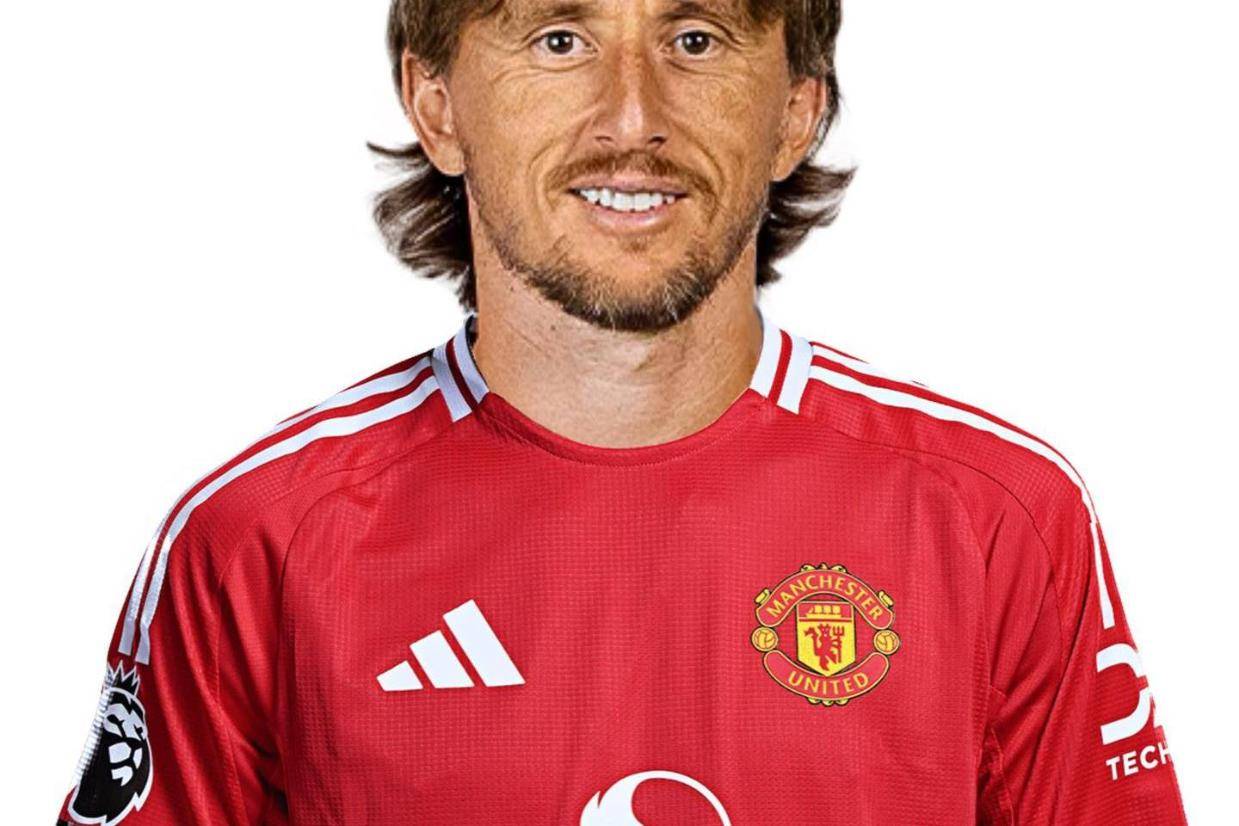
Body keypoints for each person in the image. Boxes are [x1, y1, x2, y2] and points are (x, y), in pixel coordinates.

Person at [55, 1, 1188, 823]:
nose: (632, 116)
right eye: (560, 39)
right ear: (436, 106)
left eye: (695, 39)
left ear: (797, 112)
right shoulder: (255, 539)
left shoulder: (997, 518)